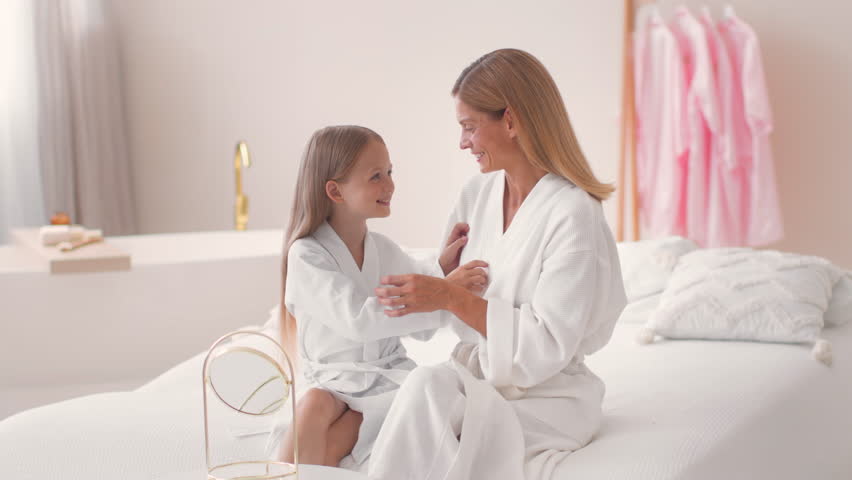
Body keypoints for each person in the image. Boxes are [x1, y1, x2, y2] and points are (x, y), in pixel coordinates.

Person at [368, 49, 628, 480]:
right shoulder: (477, 195)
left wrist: (449, 295)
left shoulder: (573, 214)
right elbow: (446, 296)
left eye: (470, 127)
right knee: (422, 386)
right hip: (477, 379)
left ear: (510, 120)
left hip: (549, 398)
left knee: (444, 425)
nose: (463, 142)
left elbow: (546, 345)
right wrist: (438, 276)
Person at [275, 125, 488, 467]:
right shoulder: (306, 256)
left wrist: (442, 271)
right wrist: (445, 293)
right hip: (334, 381)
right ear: (335, 191)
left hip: (385, 384)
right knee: (313, 403)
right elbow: (359, 320)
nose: (390, 185)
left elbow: (422, 321)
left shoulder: (385, 251)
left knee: (346, 432)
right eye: (376, 176)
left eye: (390, 172)